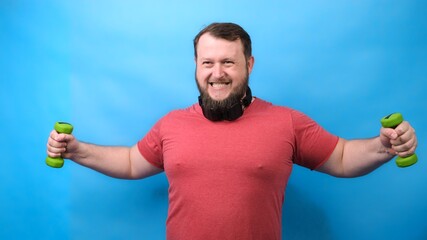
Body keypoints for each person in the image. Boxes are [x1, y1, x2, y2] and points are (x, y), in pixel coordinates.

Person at [46, 22, 418, 240]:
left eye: (228, 62)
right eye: (208, 62)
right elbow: (130, 162)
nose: (217, 72)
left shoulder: (285, 121)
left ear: (249, 64)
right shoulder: (171, 124)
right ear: (196, 65)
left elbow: (339, 158)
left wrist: (385, 147)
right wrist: (77, 150)